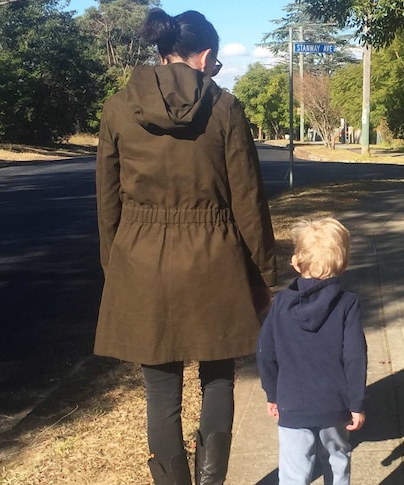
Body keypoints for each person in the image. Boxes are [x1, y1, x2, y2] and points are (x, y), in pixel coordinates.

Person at [94, 8, 276, 485]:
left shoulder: (116, 108)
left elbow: (107, 204)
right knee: (217, 378)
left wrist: (116, 273)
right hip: (215, 261)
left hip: (140, 262)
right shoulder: (225, 108)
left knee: (160, 391)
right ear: (207, 56)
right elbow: (249, 202)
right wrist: (265, 277)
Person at [256, 218, 367, 485]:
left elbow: (265, 351)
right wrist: (356, 403)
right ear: (344, 264)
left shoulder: (281, 303)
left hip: (292, 402)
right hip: (334, 403)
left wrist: (272, 392)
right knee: (336, 460)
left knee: (294, 471)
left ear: (296, 262)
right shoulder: (347, 304)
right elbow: (355, 356)